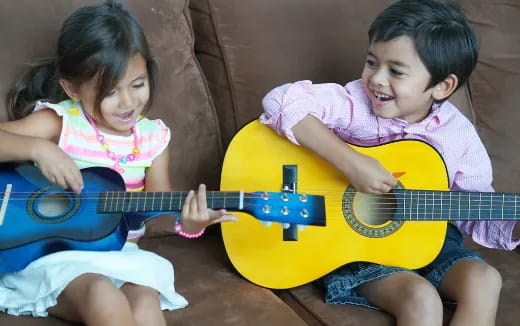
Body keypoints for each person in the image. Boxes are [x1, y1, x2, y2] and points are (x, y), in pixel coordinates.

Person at [261, 0, 518, 325]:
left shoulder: (458, 137)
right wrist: (351, 163)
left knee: (485, 280)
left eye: (396, 71)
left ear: (443, 86)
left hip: (430, 243)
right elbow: (282, 100)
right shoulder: (354, 103)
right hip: (360, 248)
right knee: (421, 299)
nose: (376, 79)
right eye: (372, 62)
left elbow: (477, 209)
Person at [0, 1, 236, 325]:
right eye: (111, 92)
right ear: (72, 88)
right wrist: (39, 149)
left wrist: (191, 225)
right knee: (103, 296)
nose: (128, 102)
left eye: (137, 85)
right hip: (55, 255)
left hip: (121, 255)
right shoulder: (61, 122)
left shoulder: (154, 139)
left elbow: (159, 205)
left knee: (146, 303)